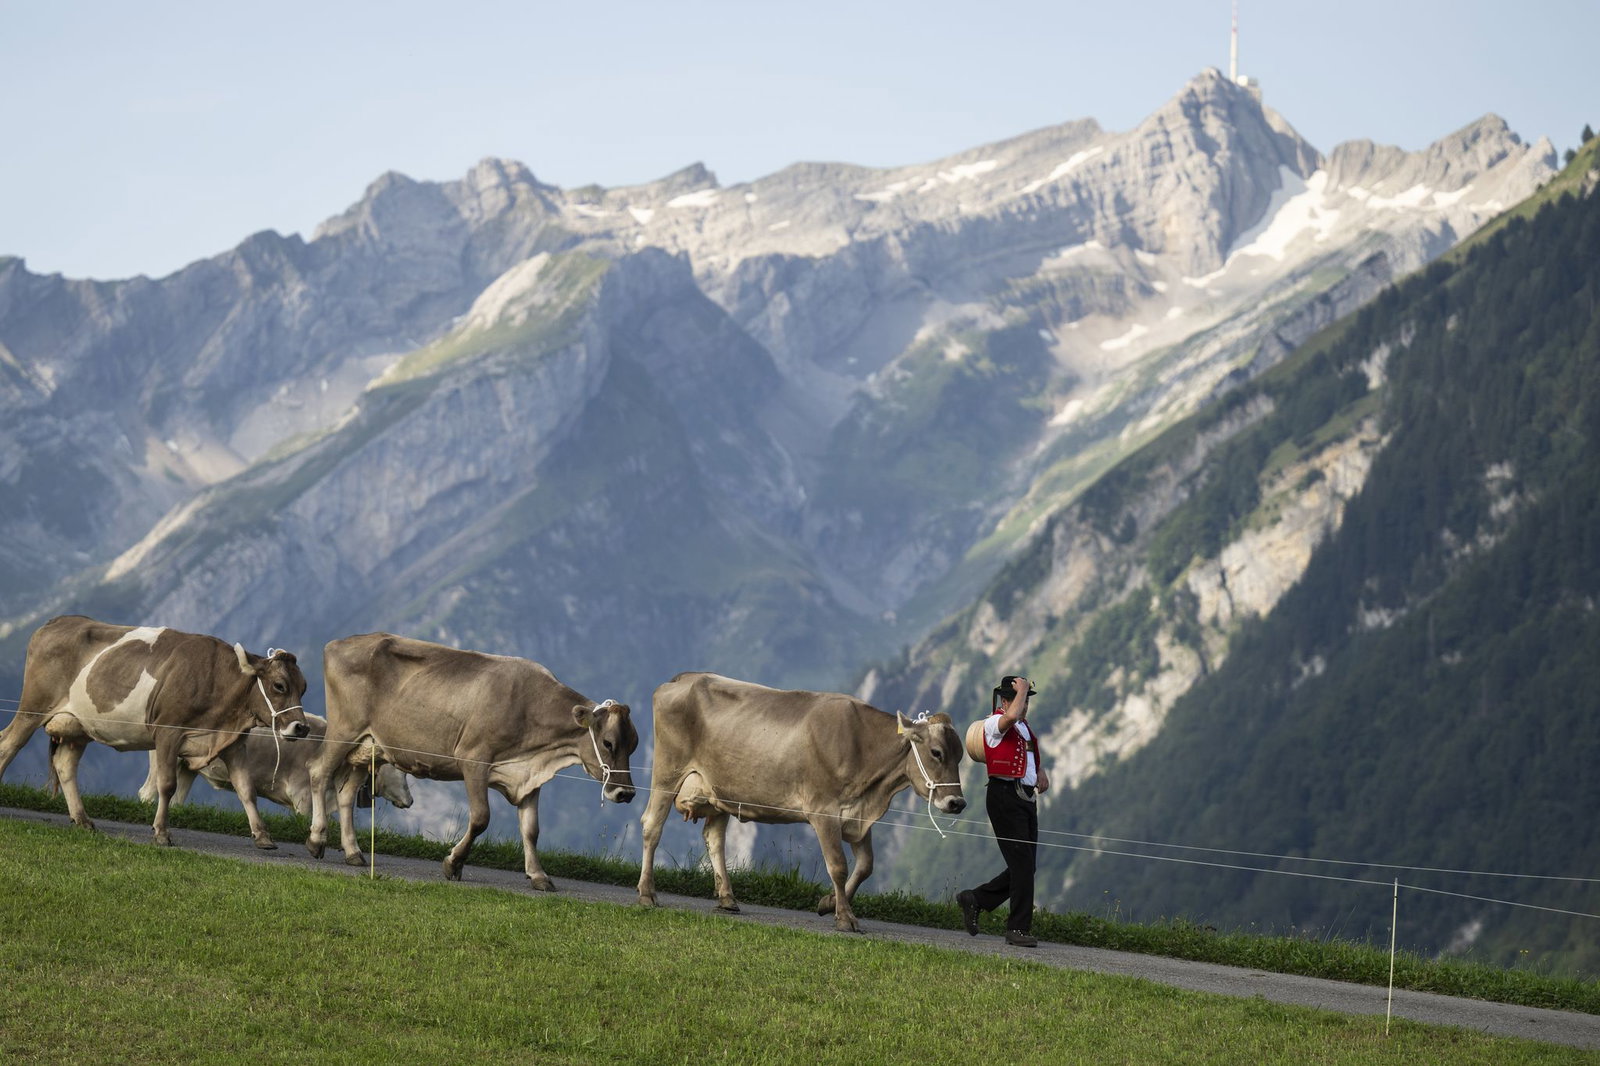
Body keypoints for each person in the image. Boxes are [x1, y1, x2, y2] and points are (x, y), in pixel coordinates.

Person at [957, 674, 1050, 947]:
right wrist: (1021, 691)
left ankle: (976, 899)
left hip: (1024, 798)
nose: (1025, 706)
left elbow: (1027, 754)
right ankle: (1017, 929)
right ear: (1007, 700)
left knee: (1026, 866)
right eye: (1022, 699)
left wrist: (1039, 773)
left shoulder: (1023, 728)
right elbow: (1009, 719)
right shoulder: (994, 724)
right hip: (1004, 797)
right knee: (1022, 864)